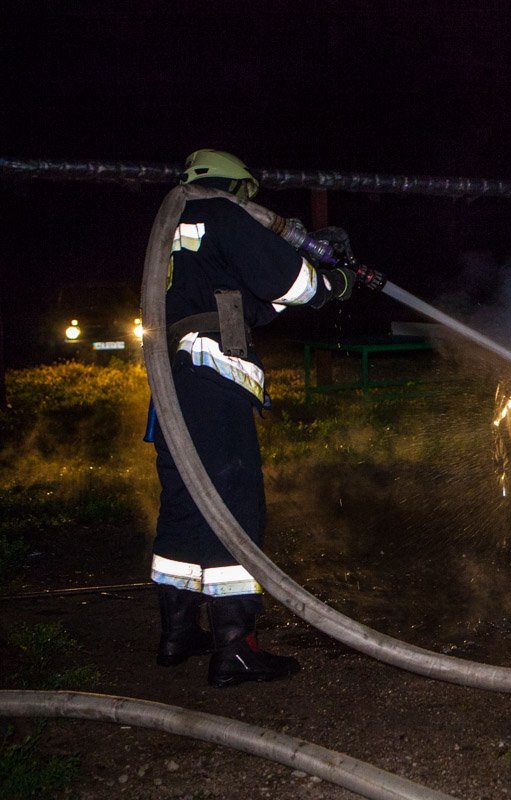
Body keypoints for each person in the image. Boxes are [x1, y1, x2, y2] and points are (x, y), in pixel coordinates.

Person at [148, 149, 355, 687]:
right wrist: (334, 281)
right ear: (235, 187)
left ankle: (178, 632)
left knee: (185, 504)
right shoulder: (222, 213)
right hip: (213, 380)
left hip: (173, 384)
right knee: (234, 504)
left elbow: (253, 302)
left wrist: (296, 289)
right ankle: (236, 648)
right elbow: (294, 284)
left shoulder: (172, 227)